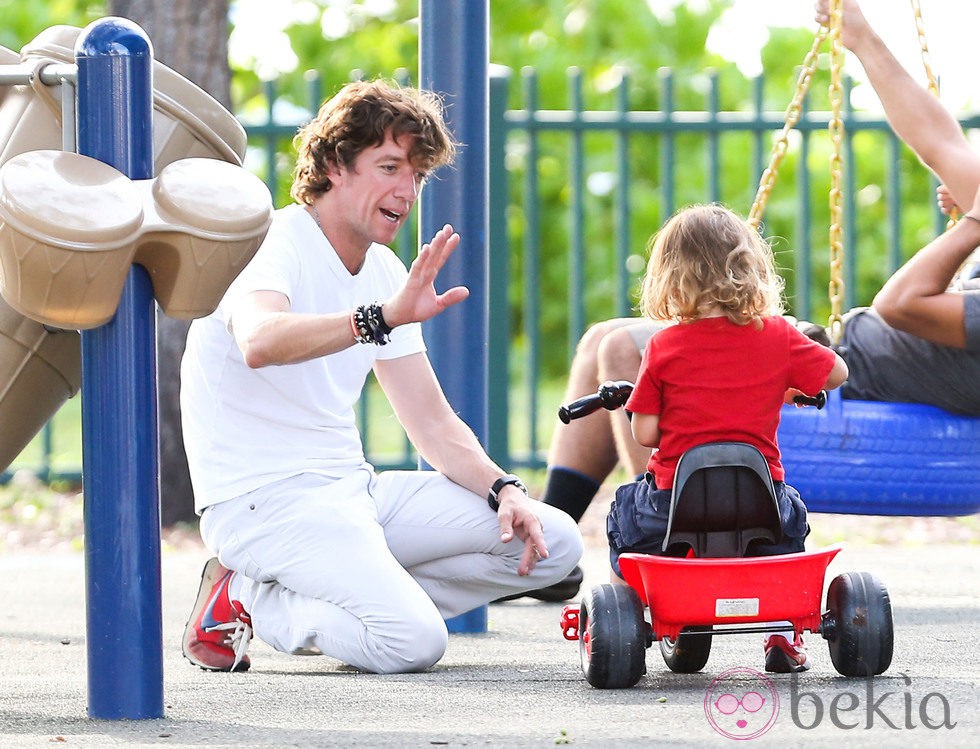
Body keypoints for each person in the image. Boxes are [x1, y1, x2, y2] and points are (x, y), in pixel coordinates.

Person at [510, 0, 980, 604]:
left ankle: (659, 552)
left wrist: (969, 226)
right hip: (825, 350)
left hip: (831, 381)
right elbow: (939, 138)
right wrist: (860, 38)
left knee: (627, 349)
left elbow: (899, 306)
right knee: (600, 339)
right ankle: (550, 547)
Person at [178, 79, 583, 675]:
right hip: (262, 504)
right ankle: (246, 597)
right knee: (412, 643)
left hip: (351, 491)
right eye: (389, 166)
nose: (407, 189)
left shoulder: (385, 268)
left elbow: (434, 424)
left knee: (554, 542)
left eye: (417, 174)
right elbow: (261, 341)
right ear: (335, 165)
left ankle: (367, 598)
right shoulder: (272, 241)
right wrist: (381, 317)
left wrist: (505, 490)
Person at [602, 203, 847, 672]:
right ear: (753, 268)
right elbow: (837, 373)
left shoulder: (664, 346)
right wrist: (790, 382)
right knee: (788, 518)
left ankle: (623, 612)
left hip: (673, 504)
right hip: (761, 505)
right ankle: (782, 631)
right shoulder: (777, 335)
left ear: (671, 276)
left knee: (624, 511)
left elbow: (646, 431)